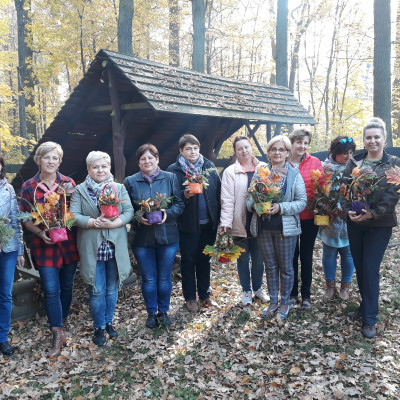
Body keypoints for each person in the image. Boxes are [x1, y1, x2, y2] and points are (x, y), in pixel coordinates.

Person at [340, 118, 400, 339]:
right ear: (363, 140)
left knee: (370, 267)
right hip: (355, 223)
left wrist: (372, 213)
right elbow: (344, 189)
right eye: (368, 137)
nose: (372, 140)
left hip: (379, 225)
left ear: (384, 138)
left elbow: (392, 198)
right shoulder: (355, 162)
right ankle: (365, 307)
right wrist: (347, 210)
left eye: (377, 136)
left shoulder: (395, 164)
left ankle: (370, 319)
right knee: (360, 266)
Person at [20, 142, 79, 358]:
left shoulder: (69, 183)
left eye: (55, 158)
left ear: (60, 161)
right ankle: (57, 331)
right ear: (39, 160)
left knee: (66, 285)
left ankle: (61, 322)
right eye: (47, 157)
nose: (51, 162)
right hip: (43, 244)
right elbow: (25, 218)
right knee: (51, 288)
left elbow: (77, 212)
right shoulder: (28, 186)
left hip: (68, 243)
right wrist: (39, 232)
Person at [70, 151, 134, 346]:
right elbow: (73, 215)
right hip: (92, 249)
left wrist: (118, 223)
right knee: (97, 290)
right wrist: (91, 222)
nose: (100, 170)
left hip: (114, 248)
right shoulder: (80, 190)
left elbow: (129, 211)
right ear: (89, 169)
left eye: (104, 166)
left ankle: (108, 322)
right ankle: (98, 326)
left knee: (112, 288)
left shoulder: (118, 188)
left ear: (109, 168)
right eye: (95, 167)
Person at [124, 144, 184, 328]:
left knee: (164, 277)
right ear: (138, 162)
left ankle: (163, 312)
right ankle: (151, 312)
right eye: (143, 159)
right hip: (142, 239)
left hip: (168, 238)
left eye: (151, 158)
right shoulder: (130, 181)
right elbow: (126, 209)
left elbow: (180, 205)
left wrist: (167, 214)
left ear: (157, 159)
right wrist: (138, 217)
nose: (147, 161)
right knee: (148, 278)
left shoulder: (171, 178)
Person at [247, 136, 306, 320]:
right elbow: (249, 198)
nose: (277, 153)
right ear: (269, 152)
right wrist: (254, 206)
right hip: (264, 228)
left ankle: (285, 302)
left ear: (288, 153)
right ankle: (273, 301)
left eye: (281, 149)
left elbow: (302, 202)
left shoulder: (294, 174)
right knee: (270, 266)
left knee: (286, 268)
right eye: (274, 149)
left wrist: (281, 207)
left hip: (284, 230)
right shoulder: (261, 172)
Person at [166, 134, 220, 312]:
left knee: (204, 260)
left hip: (208, 224)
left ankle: (205, 295)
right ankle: (190, 297)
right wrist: (185, 196)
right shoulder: (174, 171)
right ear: (181, 150)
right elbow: (170, 199)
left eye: (195, 148)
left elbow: (218, 192)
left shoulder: (209, 166)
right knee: (188, 261)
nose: (192, 151)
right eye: (188, 148)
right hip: (187, 225)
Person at [220, 136, 268, 306]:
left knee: (259, 258)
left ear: (251, 147)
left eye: (246, 147)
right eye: (239, 149)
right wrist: (226, 223)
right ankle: (246, 291)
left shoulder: (263, 168)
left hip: (259, 221)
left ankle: (258, 289)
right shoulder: (230, 172)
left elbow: (271, 192)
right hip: (239, 221)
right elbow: (227, 199)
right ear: (235, 152)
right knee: (242, 258)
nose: (244, 151)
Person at [288, 129, 323, 309]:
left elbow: (323, 186)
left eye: (305, 143)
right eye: (299, 142)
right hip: (290, 218)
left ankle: (306, 296)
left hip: (310, 217)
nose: (302, 146)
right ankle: (292, 294)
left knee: (306, 256)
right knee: (291, 256)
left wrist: (322, 204)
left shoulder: (315, 162)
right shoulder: (284, 162)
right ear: (292, 143)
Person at [319, 136, 356, 300]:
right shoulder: (323, 168)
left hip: (349, 219)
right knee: (329, 253)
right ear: (334, 152)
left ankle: (345, 287)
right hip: (329, 219)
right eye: (343, 153)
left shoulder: (355, 168)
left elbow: (360, 193)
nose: (347, 156)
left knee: (348, 254)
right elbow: (317, 192)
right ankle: (330, 287)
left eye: (350, 153)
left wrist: (356, 212)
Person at [0, 156, 24, 356]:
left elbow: (16, 222)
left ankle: (2, 337)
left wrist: (21, 250)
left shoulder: (8, 189)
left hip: (8, 249)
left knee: (5, 294)